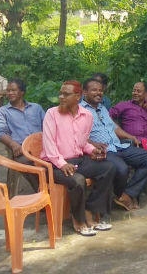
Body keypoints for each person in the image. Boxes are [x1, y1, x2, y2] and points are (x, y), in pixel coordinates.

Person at [41, 80, 116, 236]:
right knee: (78, 180)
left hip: (78, 160)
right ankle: (79, 219)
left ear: (77, 96)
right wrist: (62, 164)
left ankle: (90, 210)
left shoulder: (87, 116)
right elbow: (49, 145)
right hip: (54, 164)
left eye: (66, 94)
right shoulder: (52, 114)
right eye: (60, 94)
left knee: (108, 167)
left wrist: (93, 151)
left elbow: (83, 143)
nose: (61, 97)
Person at [81, 78, 147, 211]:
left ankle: (127, 195)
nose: (99, 93)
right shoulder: (80, 111)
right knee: (122, 169)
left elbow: (114, 127)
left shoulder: (102, 108)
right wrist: (93, 144)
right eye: (94, 90)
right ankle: (121, 195)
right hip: (103, 150)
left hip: (119, 146)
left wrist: (131, 137)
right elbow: (78, 136)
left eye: (100, 90)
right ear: (84, 92)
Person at [0, 78, 45, 192]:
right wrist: (13, 144)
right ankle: (42, 191)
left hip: (42, 147)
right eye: (8, 91)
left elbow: (48, 126)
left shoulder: (36, 108)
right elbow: (1, 132)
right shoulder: (3, 111)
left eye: (13, 90)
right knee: (26, 163)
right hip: (21, 149)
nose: (9, 93)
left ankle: (54, 190)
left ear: (22, 92)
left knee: (60, 160)